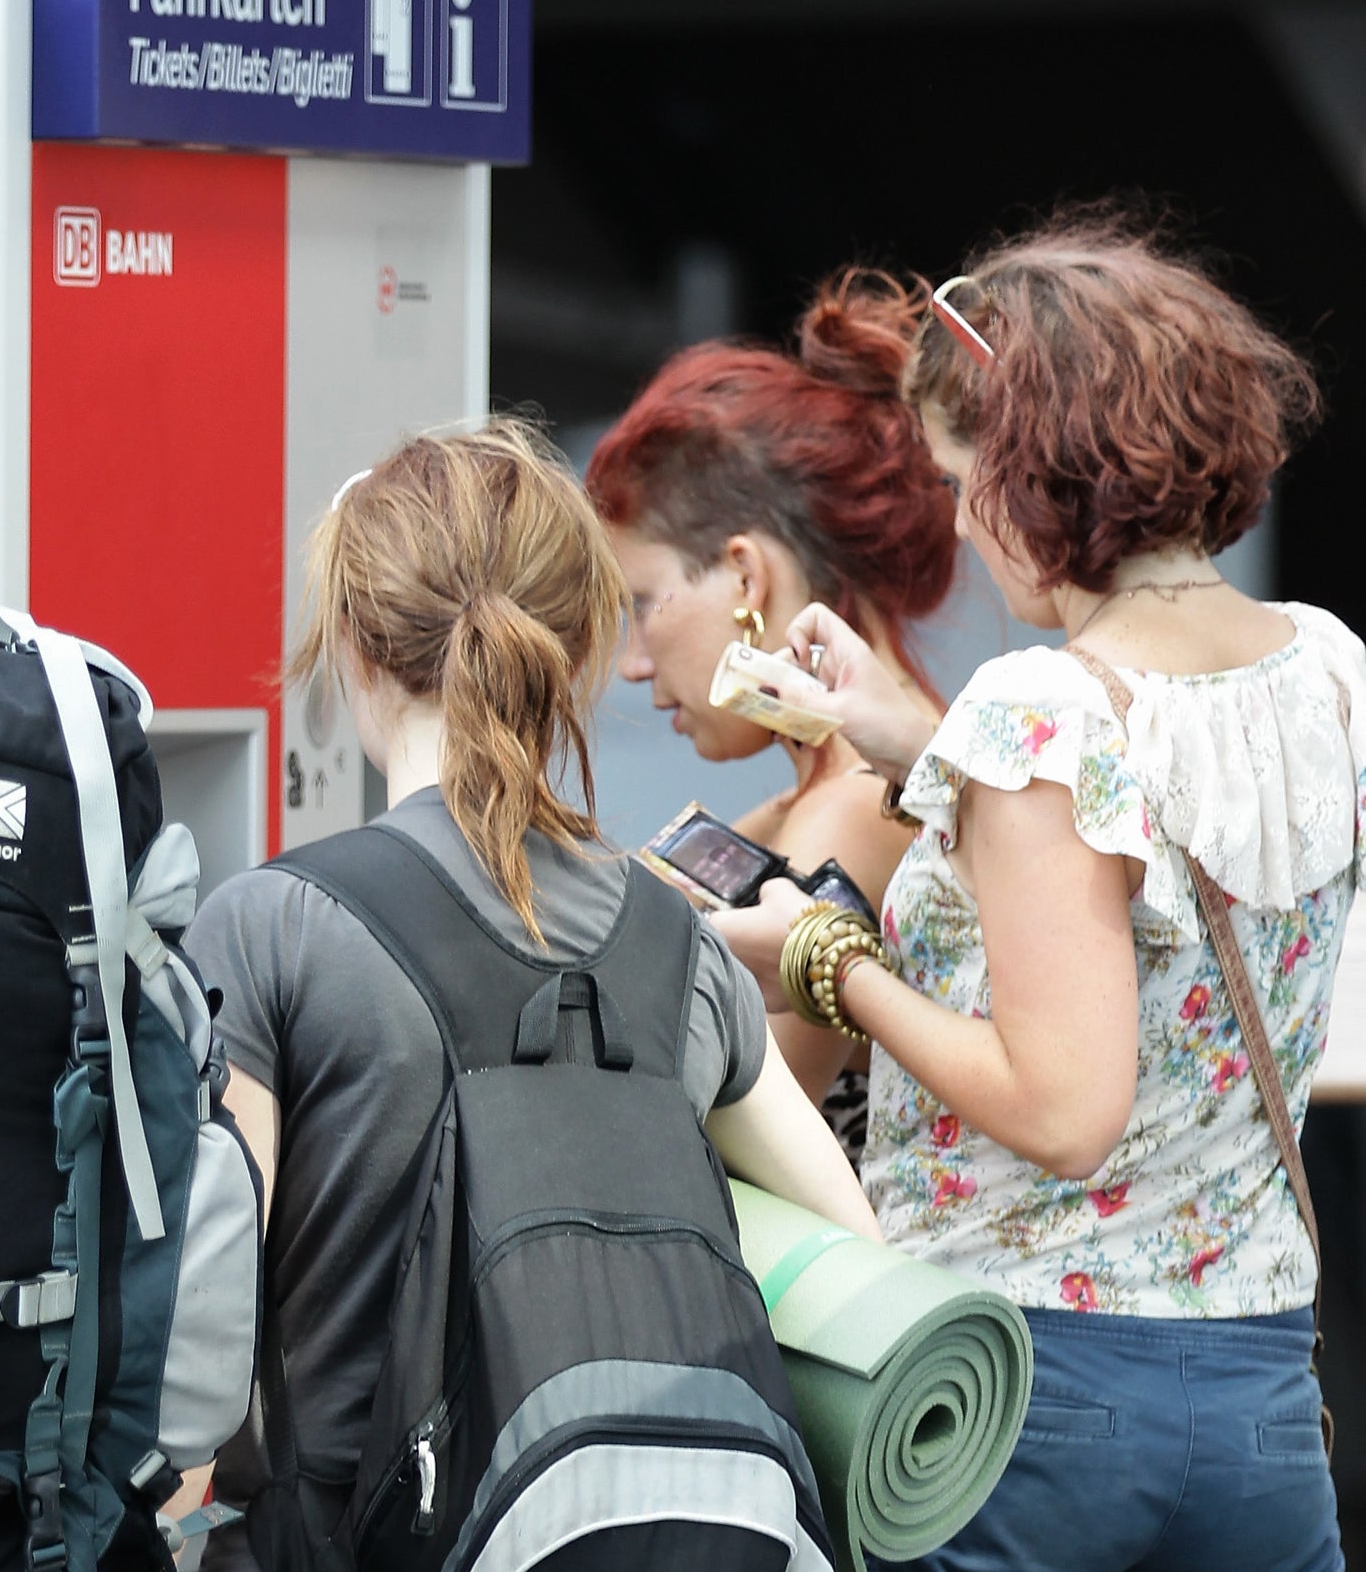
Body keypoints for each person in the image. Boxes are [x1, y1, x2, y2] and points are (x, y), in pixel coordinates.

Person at [711, 213, 1358, 1570]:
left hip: (1026, 1399)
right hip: (1255, 1393)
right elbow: (1165, 821)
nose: (958, 515)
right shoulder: (1326, 668)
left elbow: (1065, 1110)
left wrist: (832, 960)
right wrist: (912, 739)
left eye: (962, 476)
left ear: (1038, 472)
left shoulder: (1041, 712)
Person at [185, 420, 879, 1571]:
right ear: (572, 655)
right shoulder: (676, 942)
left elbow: (199, 1347)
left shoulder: (273, 926)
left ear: (356, 650)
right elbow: (850, 1263)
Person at [588, 270, 959, 1161]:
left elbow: (711, 1136)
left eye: (643, 602)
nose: (632, 664)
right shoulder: (844, 794)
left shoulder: (859, 807)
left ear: (747, 578)